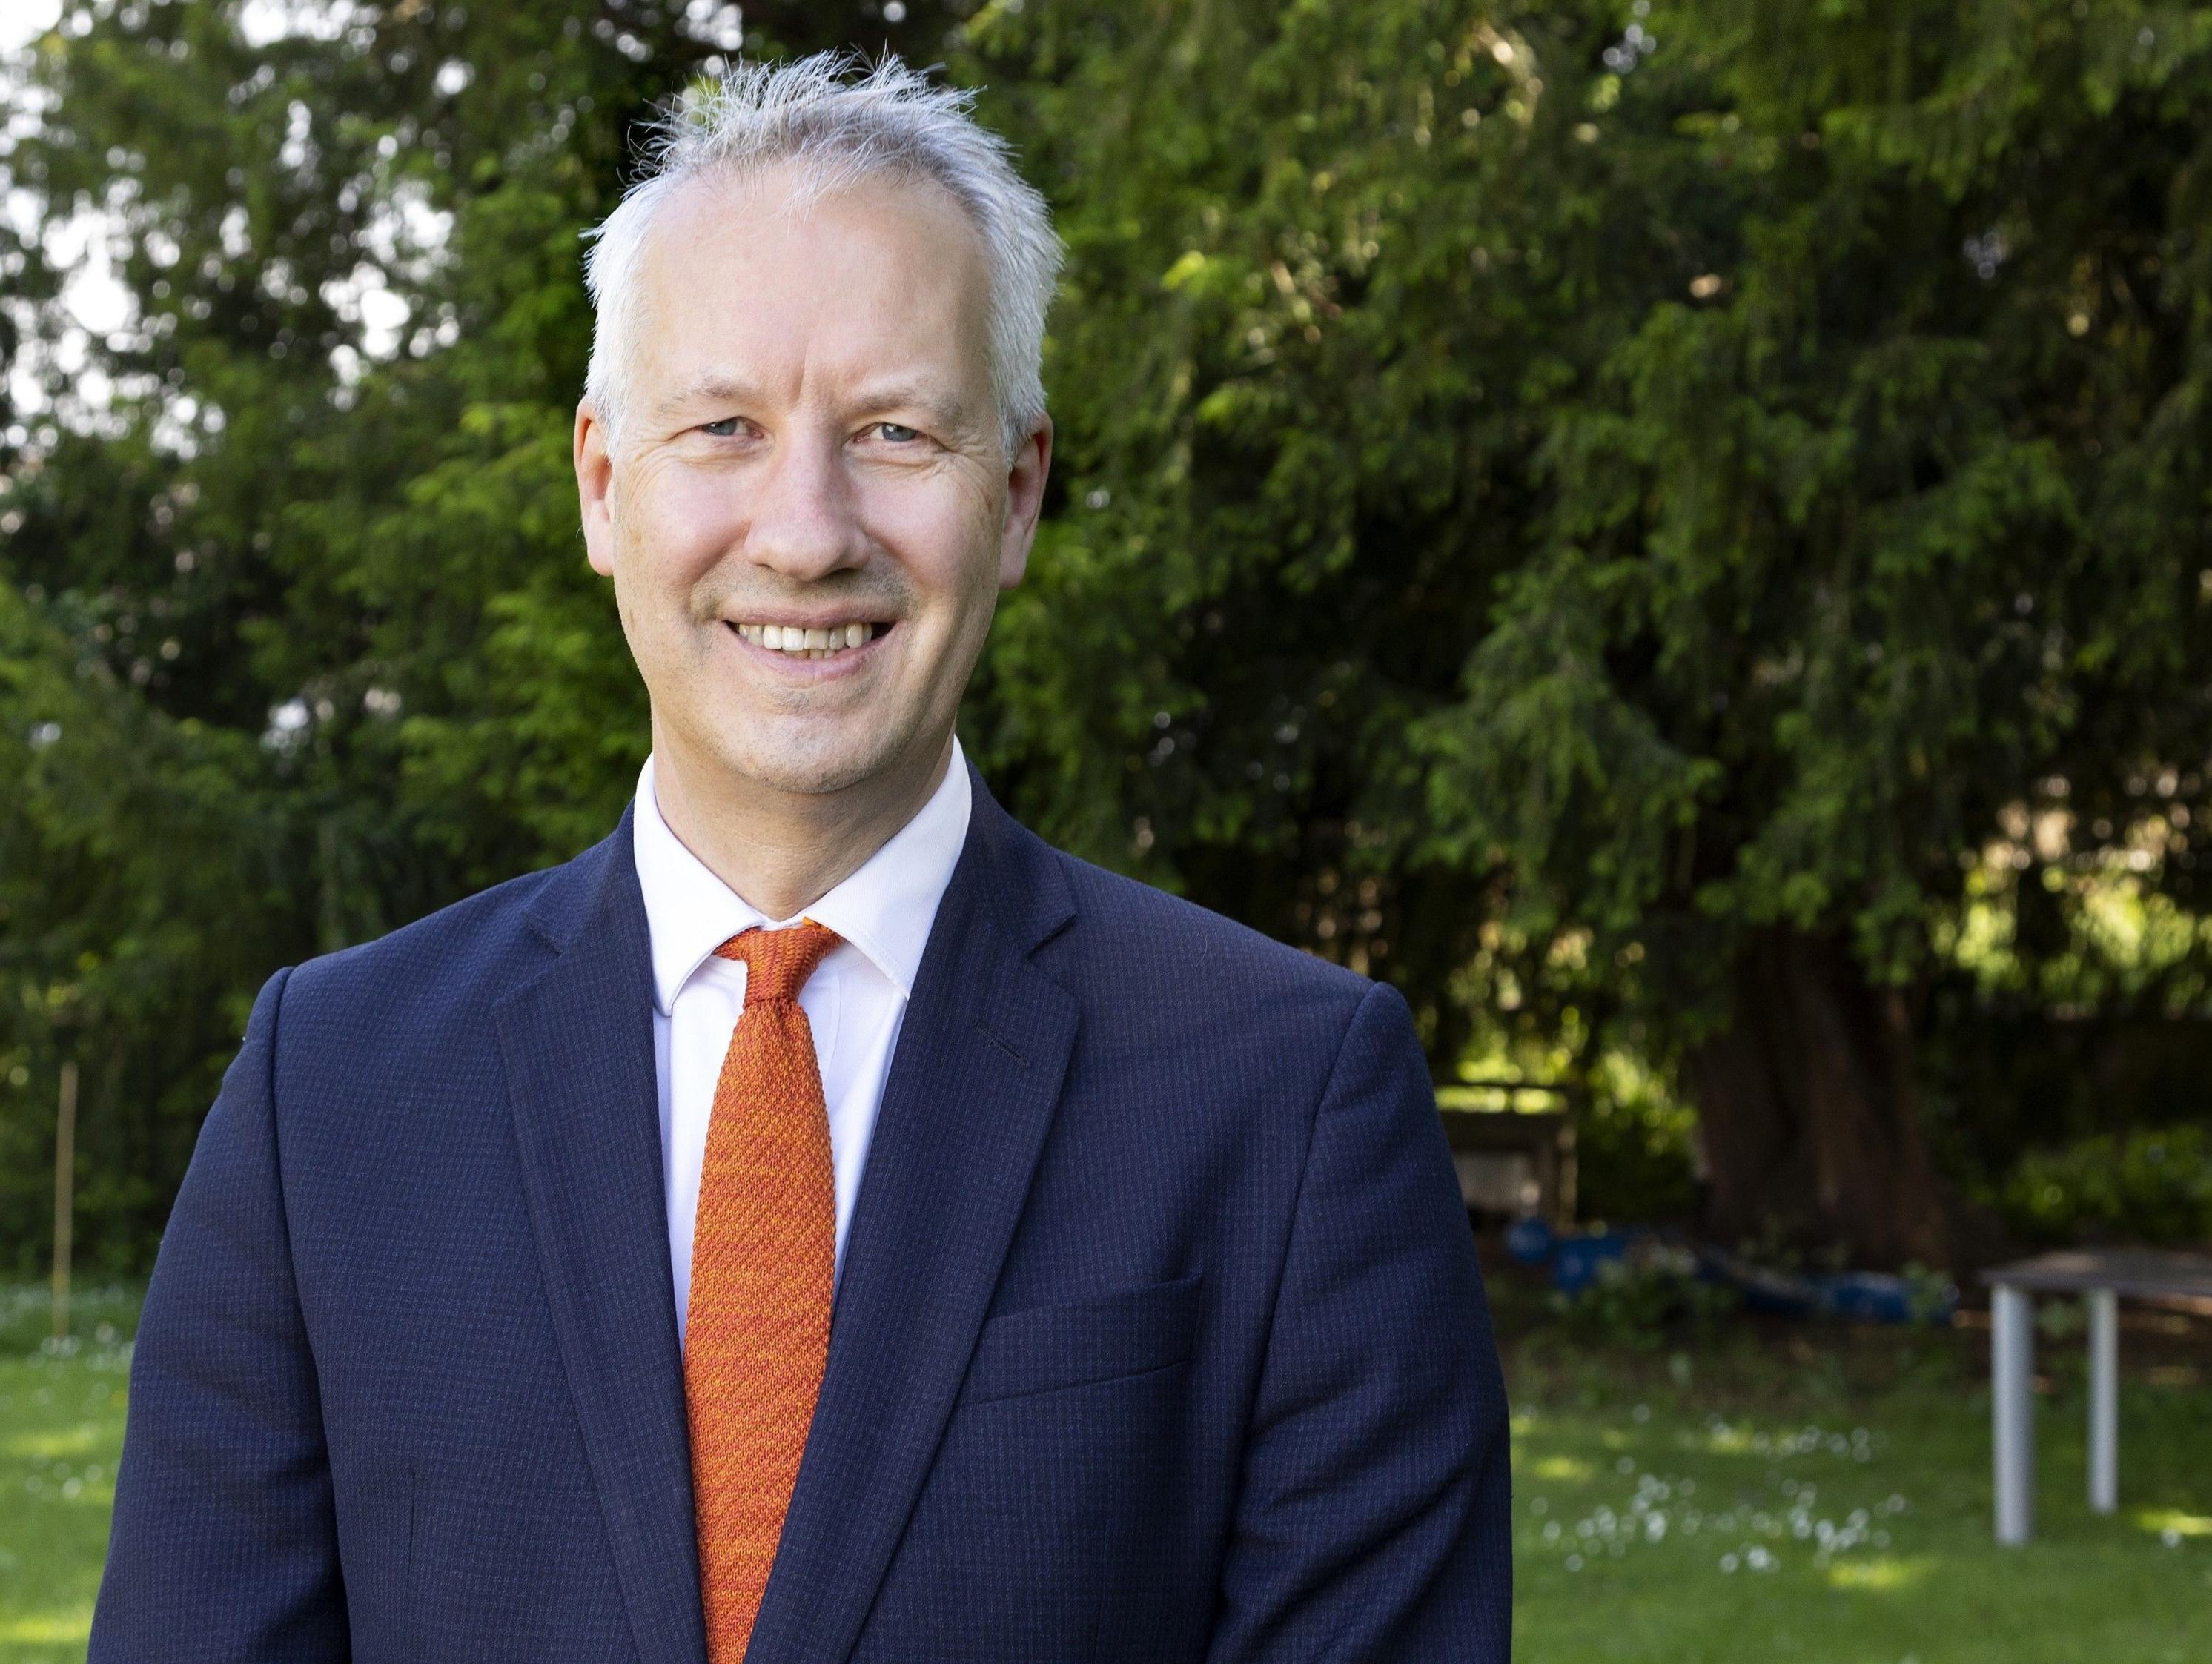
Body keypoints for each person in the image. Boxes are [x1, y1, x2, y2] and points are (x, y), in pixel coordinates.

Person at [90, 53, 1509, 1664]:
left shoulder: (1289, 1101)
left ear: (1020, 492)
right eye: (723, 427)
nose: (807, 528)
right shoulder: (328, 1093)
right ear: (604, 486)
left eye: (896, 431)